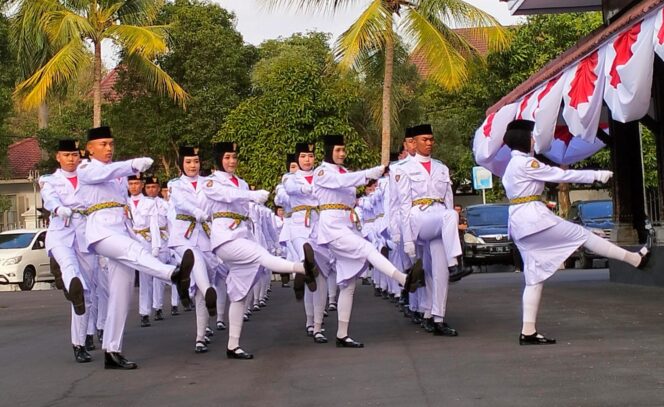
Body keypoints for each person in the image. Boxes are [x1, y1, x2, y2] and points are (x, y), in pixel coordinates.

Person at [501, 119, 651, 345]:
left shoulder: (511, 166)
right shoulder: (526, 164)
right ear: (524, 140)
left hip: (519, 222)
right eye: (531, 137)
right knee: (583, 235)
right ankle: (633, 258)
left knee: (534, 278)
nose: (534, 140)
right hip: (534, 219)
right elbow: (560, 175)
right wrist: (596, 175)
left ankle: (528, 331)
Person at [78, 126, 193, 369]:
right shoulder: (86, 168)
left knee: (121, 295)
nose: (109, 148)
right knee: (135, 250)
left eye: (111, 143)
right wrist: (132, 165)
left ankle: (112, 350)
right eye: (103, 144)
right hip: (101, 231)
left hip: (120, 227)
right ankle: (172, 274)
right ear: (90, 149)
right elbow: (104, 174)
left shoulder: (115, 172)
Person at [203, 141, 319, 359]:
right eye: (227, 157)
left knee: (238, 295)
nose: (231, 161)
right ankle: (302, 268)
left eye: (234, 157)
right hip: (225, 240)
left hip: (241, 235)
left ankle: (233, 346)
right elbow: (224, 195)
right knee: (262, 256)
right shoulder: (211, 182)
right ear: (219, 159)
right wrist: (250, 196)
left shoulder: (243, 182)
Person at [313, 134, 425, 348]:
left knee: (348, 283)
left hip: (347, 222)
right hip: (331, 225)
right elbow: (340, 183)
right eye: (337, 150)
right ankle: (403, 280)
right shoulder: (322, 172)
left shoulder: (344, 171)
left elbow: (347, 184)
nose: (342, 154)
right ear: (328, 151)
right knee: (367, 248)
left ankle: (342, 334)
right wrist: (369, 173)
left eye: (343, 150)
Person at [393, 124, 463, 336]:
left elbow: (448, 199)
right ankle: (455, 263)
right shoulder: (402, 169)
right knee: (451, 215)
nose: (429, 143)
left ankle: (437, 318)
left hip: (440, 219)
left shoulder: (441, 168)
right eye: (425, 139)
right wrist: (406, 240)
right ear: (413, 142)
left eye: (431, 139)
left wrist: (451, 231)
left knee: (437, 271)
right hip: (419, 218)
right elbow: (403, 205)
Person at [40, 139, 97, 363]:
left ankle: (80, 343)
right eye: (67, 155)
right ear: (58, 157)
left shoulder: (88, 179)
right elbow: (49, 198)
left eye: (75, 155)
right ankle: (72, 282)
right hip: (60, 234)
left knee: (87, 295)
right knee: (69, 266)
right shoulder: (49, 179)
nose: (71, 159)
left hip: (85, 236)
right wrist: (58, 208)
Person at [167, 145, 221, 353]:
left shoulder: (209, 183)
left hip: (206, 235)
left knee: (200, 287)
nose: (193, 166)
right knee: (195, 262)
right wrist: (197, 211)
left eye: (196, 162)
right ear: (181, 164)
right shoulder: (175, 184)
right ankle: (209, 292)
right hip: (184, 235)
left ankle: (200, 335)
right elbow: (180, 203)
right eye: (188, 162)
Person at [284, 141, 336, 343]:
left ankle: (317, 326)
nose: (307, 160)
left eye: (311, 156)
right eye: (303, 156)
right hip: (299, 226)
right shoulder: (291, 177)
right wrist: (309, 190)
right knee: (309, 264)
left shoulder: (321, 175)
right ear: (297, 158)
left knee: (319, 278)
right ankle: (309, 321)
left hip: (319, 226)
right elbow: (289, 189)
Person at [126, 174, 162, 328]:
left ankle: (144, 312)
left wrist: (156, 245)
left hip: (145, 239)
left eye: (136, 183)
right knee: (124, 278)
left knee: (145, 278)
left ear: (141, 185)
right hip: (128, 240)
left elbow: (154, 224)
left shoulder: (148, 202)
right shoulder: (123, 202)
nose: (133, 186)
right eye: (131, 183)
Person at [144, 175, 178, 321]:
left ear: (158, 189)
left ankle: (175, 303)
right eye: (149, 187)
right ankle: (157, 307)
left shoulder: (166, 205)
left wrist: (174, 246)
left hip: (165, 240)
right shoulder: (142, 204)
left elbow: (172, 225)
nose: (151, 190)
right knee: (157, 275)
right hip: (148, 240)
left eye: (154, 187)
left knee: (174, 272)